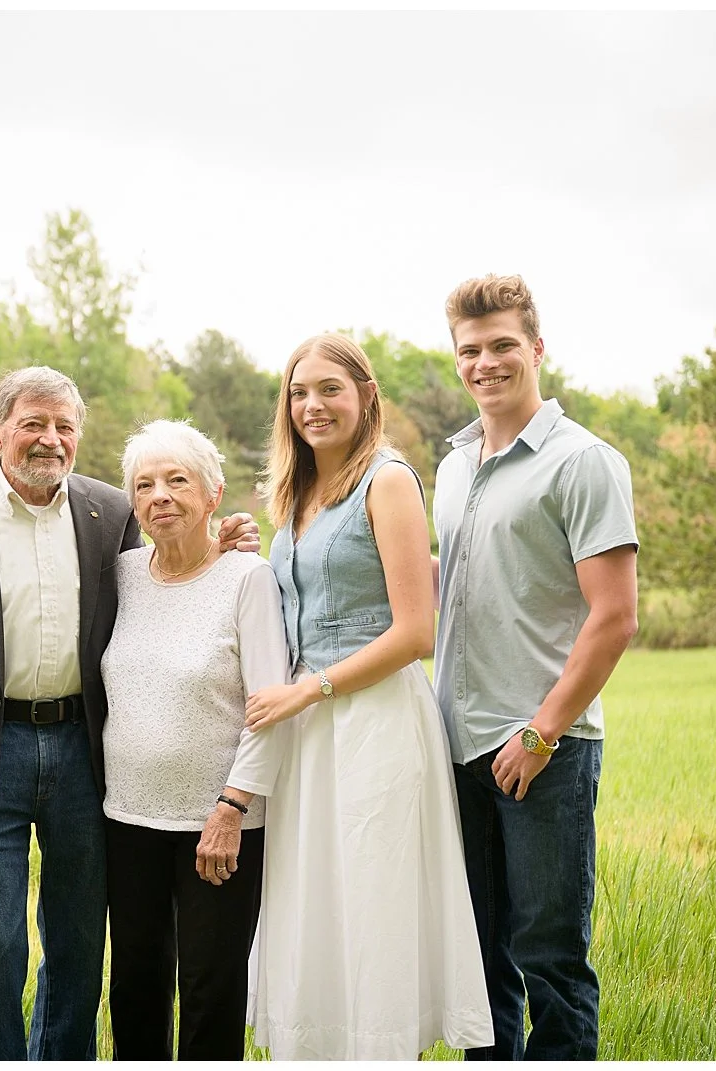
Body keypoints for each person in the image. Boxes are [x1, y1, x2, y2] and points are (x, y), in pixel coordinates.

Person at [0, 367, 259, 1061]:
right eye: (34, 424)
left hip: (86, 750)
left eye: (65, 427)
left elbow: (175, 579)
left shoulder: (111, 513)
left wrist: (224, 538)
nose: (51, 440)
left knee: (80, 942)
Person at [245, 333, 493, 1060]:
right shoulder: (294, 493)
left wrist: (309, 690)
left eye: (330, 389)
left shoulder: (386, 481)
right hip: (310, 732)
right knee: (316, 900)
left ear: (365, 396)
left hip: (374, 720)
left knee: (372, 900)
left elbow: (417, 631)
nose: (313, 405)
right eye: (299, 392)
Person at [434, 275, 638, 1061]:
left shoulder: (583, 462)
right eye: (470, 350)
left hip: (542, 750)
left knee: (549, 961)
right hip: (458, 748)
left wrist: (542, 733)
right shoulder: (454, 466)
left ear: (538, 348)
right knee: (481, 965)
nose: (485, 363)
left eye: (502, 346)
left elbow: (613, 617)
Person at [98, 420, 290, 1060]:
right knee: (135, 983)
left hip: (219, 820)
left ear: (213, 494)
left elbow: (269, 705)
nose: (161, 496)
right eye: (145, 484)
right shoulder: (121, 574)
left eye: (178, 480)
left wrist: (233, 807)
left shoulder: (247, 578)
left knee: (211, 987)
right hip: (126, 817)